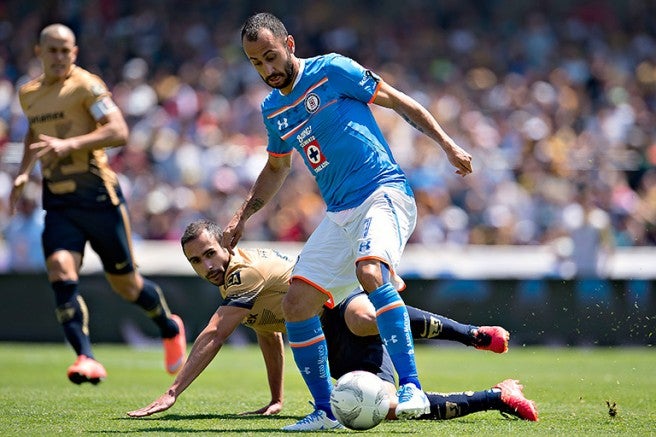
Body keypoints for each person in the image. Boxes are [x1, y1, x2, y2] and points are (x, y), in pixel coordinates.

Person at [221, 12, 474, 430]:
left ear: (290, 44)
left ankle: (410, 386)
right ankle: (324, 410)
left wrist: (448, 145)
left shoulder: (332, 70)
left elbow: (399, 101)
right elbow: (275, 169)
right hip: (340, 213)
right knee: (295, 303)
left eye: (270, 57)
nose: (267, 70)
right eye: (256, 63)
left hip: (384, 192)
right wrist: (241, 216)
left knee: (370, 271)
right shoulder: (274, 110)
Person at [126, 219, 537, 425]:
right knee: (383, 410)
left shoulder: (243, 275)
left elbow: (215, 332)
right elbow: (270, 336)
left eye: (211, 252)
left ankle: (473, 335)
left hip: (339, 306)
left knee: (362, 316)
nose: (207, 264)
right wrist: (276, 398)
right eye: (196, 260)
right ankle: (497, 396)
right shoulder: (234, 290)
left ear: (227, 245)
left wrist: (173, 391)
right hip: (332, 352)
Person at [9, 23, 186, 384]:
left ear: (74, 53)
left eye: (66, 50)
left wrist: (70, 145)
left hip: (99, 199)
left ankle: (168, 326)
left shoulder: (87, 86)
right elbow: (33, 131)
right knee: (60, 269)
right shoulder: (28, 94)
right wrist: (24, 172)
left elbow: (119, 131)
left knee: (127, 286)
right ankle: (85, 357)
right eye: (52, 50)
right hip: (59, 201)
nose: (59, 56)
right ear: (38, 52)